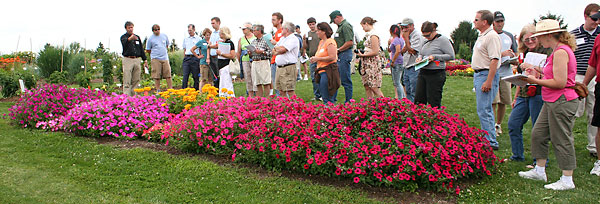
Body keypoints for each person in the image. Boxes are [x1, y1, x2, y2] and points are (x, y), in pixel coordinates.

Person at [518, 19, 579, 191]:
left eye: (540, 36)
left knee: (562, 139)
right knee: (538, 134)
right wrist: (538, 71)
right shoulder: (556, 51)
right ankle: (539, 170)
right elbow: (554, 74)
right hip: (551, 100)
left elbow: (560, 82)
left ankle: (567, 179)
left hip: (561, 100)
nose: (538, 40)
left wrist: (534, 80)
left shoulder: (560, 52)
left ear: (548, 35)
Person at [507, 24, 552, 162]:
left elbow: (549, 74)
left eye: (532, 38)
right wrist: (515, 97)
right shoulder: (523, 54)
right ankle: (517, 155)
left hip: (539, 93)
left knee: (538, 129)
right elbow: (522, 77)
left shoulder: (547, 52)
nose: (530, 42)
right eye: (526, 40)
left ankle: (539, 161)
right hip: (524, 94)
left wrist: (533, 68)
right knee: (513, 124)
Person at [572, 3, 600, 158]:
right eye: (593, 18)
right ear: (585, 16)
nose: (595, 22)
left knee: (594, 113)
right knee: (575, 110)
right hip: (578, 76)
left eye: (598, 19)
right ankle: (567, 143)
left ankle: (594, 147)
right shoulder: (574, 34)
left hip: (596, 78)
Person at [472, 10, 502, 150]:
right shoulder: (483, 36)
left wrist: (489, 81)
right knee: (482, 109)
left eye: (477, 19)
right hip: (480, 74)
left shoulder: (491, 36)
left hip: (486, 74)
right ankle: (488, 139)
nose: (474, 21)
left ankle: (490, 142)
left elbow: (494, 60)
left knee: (485, 110)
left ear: (485, 22)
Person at [414, 21, 455, 108]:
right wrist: (420, 58)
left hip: (436, 73)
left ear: (433, 31)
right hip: (423, 72)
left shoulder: (443, 40)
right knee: (419, 99)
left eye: (428, 35)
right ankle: (419, 119)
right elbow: (421, 52)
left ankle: (434, 119)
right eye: (424, 36)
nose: (426, 37)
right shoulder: (425, 41)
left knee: (433, 100)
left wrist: (435, 57)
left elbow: (451, 56)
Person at [492, 11, 518, 136]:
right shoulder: (490, 35)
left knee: (504, 101)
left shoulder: (509, 36)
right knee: (494, 100)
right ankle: (491, 124)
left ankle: (498, 124)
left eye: (501, 21)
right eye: (497, 21)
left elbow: (516, 52)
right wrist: (502, 55)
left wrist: (513, 57)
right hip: (493, 72)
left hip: (506, 72)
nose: (500, 24)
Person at [584, 11, 600, 176]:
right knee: (598, 122)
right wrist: (583, 84)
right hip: (599, 83)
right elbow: (593, 65)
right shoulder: (598, 39)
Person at [310, 22, 340, 104]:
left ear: (323, 31)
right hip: (320, 71)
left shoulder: (330, 42)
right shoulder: (321, 42)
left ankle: (330, 112)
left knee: (328, 96)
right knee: (324, 95)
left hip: (329, 71)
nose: (317, 33)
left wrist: (318, 58)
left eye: (318, 31)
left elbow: (332, 57)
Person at [330, 10, 354, 103]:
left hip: (344, 54)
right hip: (340, 54)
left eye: (334, 20)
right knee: (336, 78)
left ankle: (348, 101)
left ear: (338, 17)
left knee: (345, 79)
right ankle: (333, 100)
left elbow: (349, 42)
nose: (334, 23)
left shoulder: (345, 26)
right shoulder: (340, 27)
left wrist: (338, 50)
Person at [356, 17, 384, 98]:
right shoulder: (368, 36)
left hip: (372, 63)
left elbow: (375, 51)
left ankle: (385, 103)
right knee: (367, 85)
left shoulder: (373, 35)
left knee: (374, 86)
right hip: (367, 62)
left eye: (363, 26)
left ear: (366, 24)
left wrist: (363, 55)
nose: (363, 29)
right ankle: (370, 105)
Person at [400, 18, 425, 102]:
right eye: (402, 28)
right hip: (407, 66)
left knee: (414, 91)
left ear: (412, 26)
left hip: (414, 66)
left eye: (406, 27)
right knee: (408, 91)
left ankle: (416, 110)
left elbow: (412, 51)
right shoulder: (409, 36)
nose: (404, 30)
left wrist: (406, 39)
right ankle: (410, 109)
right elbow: (403, 51)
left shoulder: (416, 35)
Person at [120, 21, 147, 96]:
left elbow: (141, 49)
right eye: (129, 28)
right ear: (126, 28)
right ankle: (126, 96)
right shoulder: (123, 37)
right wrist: (129, 39)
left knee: (136, 78)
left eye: (132, 27)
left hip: (137, 59)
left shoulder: (137, 37)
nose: (131, 29)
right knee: (127, 77)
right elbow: (124, 44)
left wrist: (145, 59)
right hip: (128, 59)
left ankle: (134, 95)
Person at [273, 22, 300, 97]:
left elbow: (283, 50)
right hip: (280, 67)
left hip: (288, 67)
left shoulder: (293, 39)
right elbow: (274, 51)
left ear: (287, 30)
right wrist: (278, 48)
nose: (281, 29)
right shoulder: (282, 39)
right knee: (281, 90)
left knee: (289, 90)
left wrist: (278, 48)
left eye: (283, 28)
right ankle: (284, 106)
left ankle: (294, 106)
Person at [146, 24, 172, 92]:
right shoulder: (150, 39)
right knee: (157, 75)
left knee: (168, 74)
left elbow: (167, 45)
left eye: (158, 29)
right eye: (155, 30)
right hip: (155, 58)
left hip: (165, 58)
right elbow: (148, 49)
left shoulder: (164, 36)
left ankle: (170, 89)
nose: (157, 31)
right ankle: (158, 90)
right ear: (153, 31)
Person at [249, 24, 272, 97]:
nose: (253, 32)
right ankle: (260, 100)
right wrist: (250, 52)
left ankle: (267, 99)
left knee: (266, 82)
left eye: (254, 30)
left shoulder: (266, 40)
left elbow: (271, 52)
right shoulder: (253, 41)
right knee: (257, 82)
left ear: (259, 31)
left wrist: (262, 52)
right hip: (255, 62)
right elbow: (250, 54)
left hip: (263, 61)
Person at [305, 17, 322, 101]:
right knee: (313, 77)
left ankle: (322, 94)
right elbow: (306, 47)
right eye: (310, 24)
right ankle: (317, 95)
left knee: (321, 76)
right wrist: (304, 39)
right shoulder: (308, 34)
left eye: (313, 24)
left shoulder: (319, 33)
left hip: (320, 57)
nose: (312, 26)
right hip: (312, 57)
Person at [237, 22, 256, 97]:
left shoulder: (254, 37)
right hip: (245, 60)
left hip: (254, 59)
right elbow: (239, 51)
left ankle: (257, 94)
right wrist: (238, 62)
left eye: (244, 29)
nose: (243, 30)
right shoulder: (241, 39)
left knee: (255, 77)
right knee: (248, 77)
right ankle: (250, 94)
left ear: (249, 29)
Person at [388, 24, 406, 99]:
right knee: (398, 82)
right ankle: (403, 97)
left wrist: (393, 61)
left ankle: (400, 98)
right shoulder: (401, 39)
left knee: (397, 82)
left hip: (396, 62)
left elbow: (397, 51)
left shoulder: (396, 40)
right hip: (400, 61)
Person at [182, 24, 201, 90]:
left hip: (195, 58)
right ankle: (184, 90)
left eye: (190, 30)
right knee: (185, 75)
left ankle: (196, 90)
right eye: (188, 30)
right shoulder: (186, 39)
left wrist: (199, 58)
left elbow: (200, 49)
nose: (189, 32)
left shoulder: (198, 39)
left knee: (195, 76)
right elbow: (184, 49)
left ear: (194, 30)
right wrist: (184, 58)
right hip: (187, 58)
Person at [270, 12, 284, 96]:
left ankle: (283, 101)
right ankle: (279, 102)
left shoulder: (283, 31)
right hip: (274, 59)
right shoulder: (276, 32)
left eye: (274, 19)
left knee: (281, 83)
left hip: (280, 60)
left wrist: (276, 42)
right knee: (275, 82)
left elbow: (284, 45)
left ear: (280, 20)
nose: (272, 21)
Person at [207, 17, 221, 88]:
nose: (212, 25)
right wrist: (208, 57)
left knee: (219, 75)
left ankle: (221, 90)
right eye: (211, 23)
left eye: (213, 23)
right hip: (212, 57)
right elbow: (209, 45)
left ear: (218, 23)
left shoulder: (221, 32)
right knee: (214, 76)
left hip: (218, 57)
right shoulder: (212, 34)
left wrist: (211, 46)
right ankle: (216, 91)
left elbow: (218, 45)